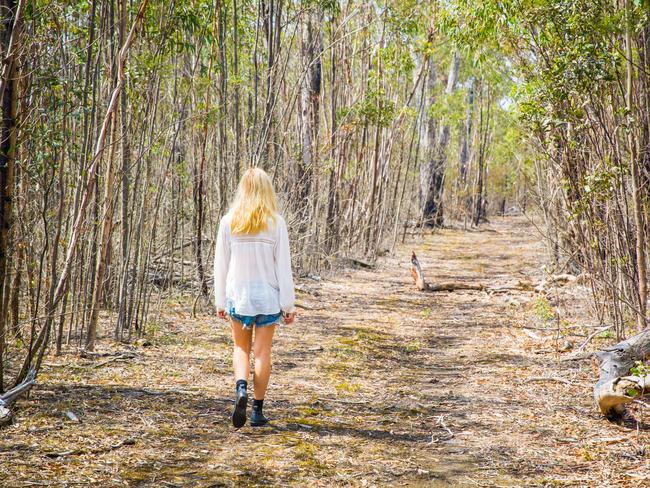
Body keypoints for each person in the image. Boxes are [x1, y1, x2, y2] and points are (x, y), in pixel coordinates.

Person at [214, 167, 296, 428]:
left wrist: (220, 300)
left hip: (239, 296)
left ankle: (241, 389)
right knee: (262, 353)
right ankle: (257, 412)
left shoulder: (229, 222)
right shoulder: (276, 223)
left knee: (240, 348)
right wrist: (288, 305)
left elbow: (221, 264)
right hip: (267, 298)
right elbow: (283, 266)